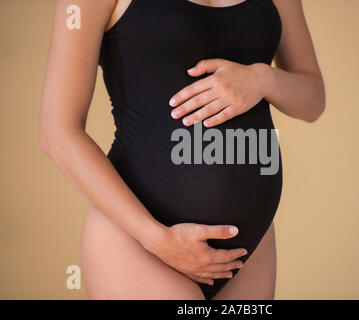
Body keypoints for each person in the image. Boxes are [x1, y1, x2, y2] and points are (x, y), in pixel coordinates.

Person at [39, 0, 325, 300]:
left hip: (248, 248)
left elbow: (313, 100)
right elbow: (57, 133)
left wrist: (263, 78)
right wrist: (157, 239)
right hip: (140, 242)